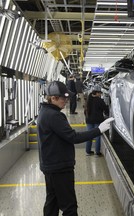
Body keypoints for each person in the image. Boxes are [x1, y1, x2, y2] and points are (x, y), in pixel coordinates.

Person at [37, 81, 114, 216]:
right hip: (59, 167)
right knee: (69, 206)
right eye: (63, 98)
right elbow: (73, 137)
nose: (66, 101)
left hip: (50, 166)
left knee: (52, 201)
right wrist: (98, 130)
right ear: (53, 98)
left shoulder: (44, 112)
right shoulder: (54, 115)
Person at [84, 85, 109, 156]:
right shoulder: (100, 100)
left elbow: (85, 111)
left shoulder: (88, 100)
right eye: (100, 93)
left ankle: (88, 151)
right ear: (97, 93)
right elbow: (105, 109)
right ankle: (97, 152)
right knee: (97, 136)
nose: (101, 94)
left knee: (89, 136)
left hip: (89, 120)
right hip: (98, 120)